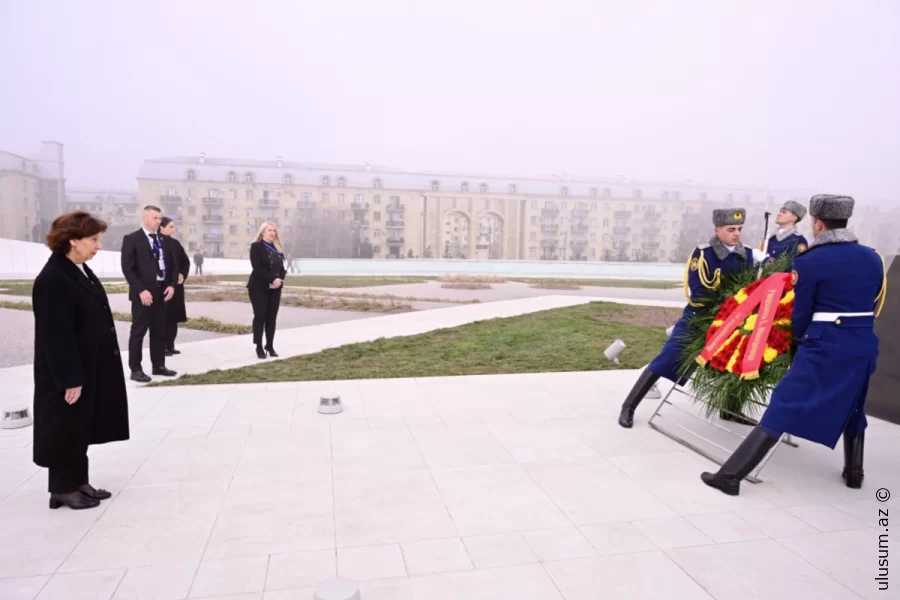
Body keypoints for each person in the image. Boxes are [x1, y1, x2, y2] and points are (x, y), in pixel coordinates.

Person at [701, 194, 887, 496]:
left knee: (783, 405)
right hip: (864, 343)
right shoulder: (872, 257)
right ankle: (855, 472)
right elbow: (875, 299)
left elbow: (801, 314)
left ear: (818, 223)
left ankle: (731, 476)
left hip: (824, 344)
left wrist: (797, 345)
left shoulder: (811, 260)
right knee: (854, 405)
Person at [618, 208, 757, 428]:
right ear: (717, 230)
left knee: (740, 360)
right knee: (667, 359)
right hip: (700, 317)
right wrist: (729, 302)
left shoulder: (747, 254)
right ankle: (629, 406)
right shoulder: (703, 254)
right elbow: (699, 290)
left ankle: (730, 409)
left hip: (732, 320)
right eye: (731, 229)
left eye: (739, 229)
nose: (737, 234)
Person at [32, 211, 129, 510]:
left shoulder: (77, 269)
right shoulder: (53, 278)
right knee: (64, 425)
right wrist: (69, 378)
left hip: (88, 365)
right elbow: (55, 334)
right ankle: (61, 488)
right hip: (67, 371)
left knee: (79, 425)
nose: (98, 246)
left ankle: (79, 481)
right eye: (94, 239)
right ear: (73, 241)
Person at [120, 206, 178, 382]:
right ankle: (136, 369)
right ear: (144, 218)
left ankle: (159, 365)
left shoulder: (164, 240)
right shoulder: (132, 239)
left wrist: (172, 285)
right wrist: (141, 290)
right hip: (143, 295)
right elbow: (128, 268)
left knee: (159, 331)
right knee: (138, 331)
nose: (158, 221)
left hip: (162, 293)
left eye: (160, 218)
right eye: (155, 218)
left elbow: (173, 266)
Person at [248, 221, 287, 359]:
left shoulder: (278, 249)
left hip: (275, 288)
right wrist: (271, 280)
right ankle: (259, 346)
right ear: (263, 232)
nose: (272, 233)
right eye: (269, 230)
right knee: (260, 316)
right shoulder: (256, 247)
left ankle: (269, 345)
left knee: (271, 318)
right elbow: (257, 268)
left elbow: (282, 269)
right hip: (258, 287)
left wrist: (279, 281)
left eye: (274, 231)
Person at [158, 217, 190, 356]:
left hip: (176, 286)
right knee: (163, 317)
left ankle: (171, 344)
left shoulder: (176, 244)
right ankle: (162, 346)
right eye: (170, 227)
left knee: (173, 317)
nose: (173, 229)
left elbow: (185, 261)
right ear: (161, 227)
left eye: (173, 226)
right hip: (163, 286)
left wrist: (182, 274)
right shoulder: (156, 242)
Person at [764, 200, 808, 268]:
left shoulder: (798, 241)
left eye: (784, 212)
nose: (779, 214)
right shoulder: (771, 239)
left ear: (794, 217)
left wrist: (766, 260)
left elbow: (792, 266)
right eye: (780, 211)